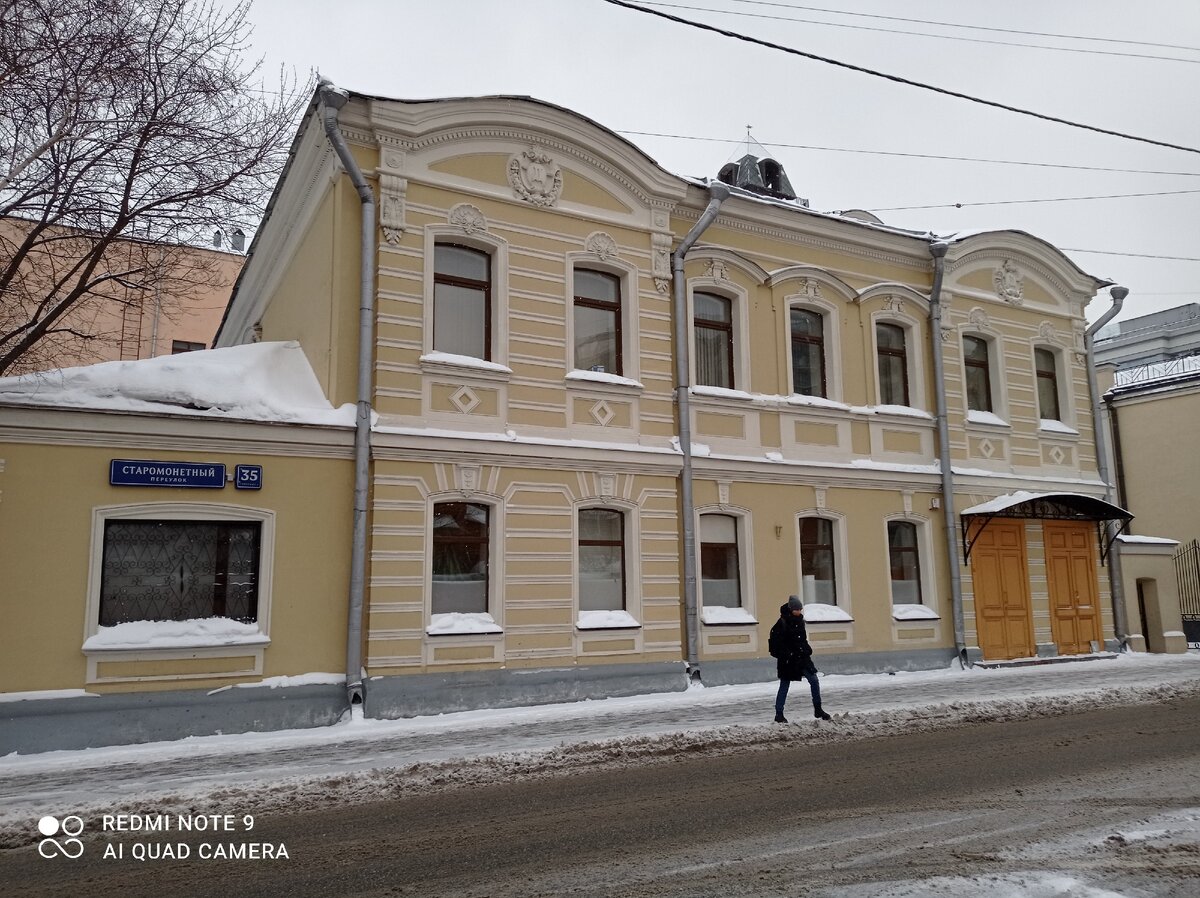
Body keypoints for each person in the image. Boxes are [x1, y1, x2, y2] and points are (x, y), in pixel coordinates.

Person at [768, 594, 831, 722]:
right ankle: (779, 714)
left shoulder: (800, 622)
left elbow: (802, 639)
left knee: (814, 680)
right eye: (796, 609)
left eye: (800, 609)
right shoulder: (781, 623)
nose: (799, 612)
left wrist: (807, 649)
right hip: (788, 661)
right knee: (784, 685)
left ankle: (818, 709)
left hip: (802, 658)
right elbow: (775, 645)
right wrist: (787, 654)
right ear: (791, 609)